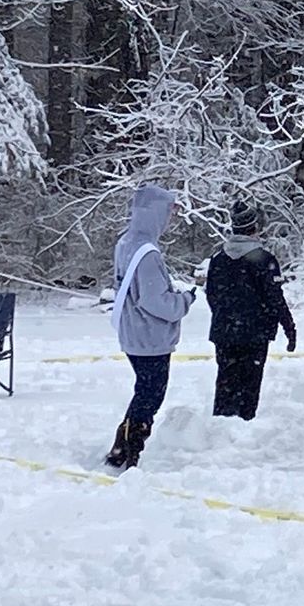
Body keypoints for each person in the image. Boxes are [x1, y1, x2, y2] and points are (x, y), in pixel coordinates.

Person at [104, 184, 195, 469]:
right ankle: (130, 447)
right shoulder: (148, 253)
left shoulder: (125, 243)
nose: (170, 219)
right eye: (169, 212)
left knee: (144, 390)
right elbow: (156, 302)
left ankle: (123, 444)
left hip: (132, 332)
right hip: (150, 337)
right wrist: (184, 300)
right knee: (151, 394)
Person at [203, 200, 298, 420]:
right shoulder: (264, 260)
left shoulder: (218, 259)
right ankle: (245, 423)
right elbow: (275, 298)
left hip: (224, 331)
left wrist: (225, 316)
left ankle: (220, 425)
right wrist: (288, 327)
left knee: (225, 382)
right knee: (249, 385)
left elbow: (212, 295)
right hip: (255, 333)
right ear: (254, 227)